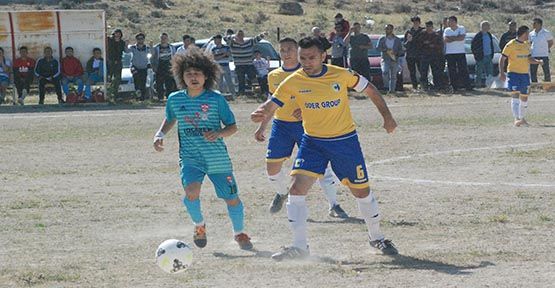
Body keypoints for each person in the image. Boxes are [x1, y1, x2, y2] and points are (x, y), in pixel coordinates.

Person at [251, 37, 398, 260]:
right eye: (303, 58)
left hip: (344, 142)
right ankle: (299, 247)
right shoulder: (293, 80)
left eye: (311, 57)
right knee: (296, 190)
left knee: (361, 192)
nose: (307, 62)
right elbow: (273, 103)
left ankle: (376, 237)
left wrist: (387, 117)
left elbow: (370, 90)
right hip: (312, 142)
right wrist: (261, 111)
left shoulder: (341, 74)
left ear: (323, 56)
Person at [152, 47, 254, 251]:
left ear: (206, 75)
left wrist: (219, 133)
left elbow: (232, 127)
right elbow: (171, 118)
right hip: (191, 158)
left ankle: (239, 232)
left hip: (217, 159)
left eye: (197, 73)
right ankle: (199, 225)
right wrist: (160, 134)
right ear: (181, 76)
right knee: (191, 192)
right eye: (188, 73)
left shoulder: (216, 99)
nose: (193, 77)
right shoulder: (175, 99)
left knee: (231, 198)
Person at [254, 38, 349, 218]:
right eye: (282, 50)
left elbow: (322, 98)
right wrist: (262, 127)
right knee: (271, 168)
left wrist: (306, 110)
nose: (286, 53)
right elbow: (271, 103)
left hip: (307, 126)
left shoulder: (308, 72)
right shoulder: (273, 76)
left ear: (298, 51)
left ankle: (334, 205)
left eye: (290, 49)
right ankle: (282, 193)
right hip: (281, 125)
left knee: (322, 168)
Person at [499, 25, 544, 127]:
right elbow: (502, 59)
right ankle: (517, 118)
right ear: (523, 34)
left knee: (524, 97)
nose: (529, 35)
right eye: (528, 33)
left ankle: (522, 118)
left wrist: (537, 62)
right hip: (513, 73)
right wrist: (502, 73)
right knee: (515, 94)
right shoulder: (511, 44)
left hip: (524, 74)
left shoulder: (527, 45)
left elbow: (528, 59)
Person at [224, 30, 267, 96]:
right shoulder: (232, 44)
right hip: (239, 65)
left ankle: (258, 93)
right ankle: (241, 94)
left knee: (253, 79)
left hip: (249, 64)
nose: (240, 37)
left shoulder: (249, 42)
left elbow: (257, 38)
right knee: (241, 80)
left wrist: (263, 34)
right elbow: (225, 38)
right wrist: (232, 36)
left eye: (241, 35)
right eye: (238, 35)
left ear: (243, 36)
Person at [443, 16, 472, 91]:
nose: (449, 23)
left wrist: (451, 38)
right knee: (452, 70)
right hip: (450, 53)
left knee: (463, 69)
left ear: (455, 21)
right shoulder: (447, 30)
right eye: (448, 21)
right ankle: (454, 87)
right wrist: (456, 37)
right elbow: (446, 40)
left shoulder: (461, 28)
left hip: (460, 52)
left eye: (450, 21)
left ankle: (467, 86)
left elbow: (462, 38)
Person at [416, 21, 446, 91]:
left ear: (432, 27)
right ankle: (424, 86)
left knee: (435, 72)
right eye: (427, 26)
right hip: (424, 55)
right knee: (423, 72)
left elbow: (440, 46)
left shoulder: (437, 35)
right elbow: (418, 44)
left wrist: (433, 45)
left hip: (434, 56)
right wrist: (425, 44)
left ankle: (437, 86)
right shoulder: (422, 34)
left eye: (430, 26)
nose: (428, 28)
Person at [378, 24, 404, 93]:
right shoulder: (382, 39)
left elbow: (401, 50)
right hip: (385, 59)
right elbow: (378, 48)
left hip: (394, 59)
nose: (388, 30)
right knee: (385, 72)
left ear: (392, 30)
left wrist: (396, 53)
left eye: (389, 29)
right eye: (386, 29)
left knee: (393, 76)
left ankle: (392, 90)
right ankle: (386, 87)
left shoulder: (397, 40)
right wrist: (385, 50)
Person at [151, 32, 177, 100]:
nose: (163, 39)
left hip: (169, 66)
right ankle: (160, 97)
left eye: (165, 38)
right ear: (160, 39)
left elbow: (174, 57)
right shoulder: (157, 47)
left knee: (169, 83)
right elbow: (152, 57)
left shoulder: (172, 47)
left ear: (167, 39)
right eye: (162, 38)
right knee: (159, 83)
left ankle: (169, 97)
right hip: (160, 66)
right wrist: (153, 67)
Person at [211, 34, 236, 99]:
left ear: (219, 39)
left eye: (216, 39)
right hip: (218, 66)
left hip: (226, 66)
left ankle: (233, 94)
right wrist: (223, 55)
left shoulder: (226, 47)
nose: (215, 41)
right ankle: (220, 95)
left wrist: (222, 55)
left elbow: (229, 54)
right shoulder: (214, 49)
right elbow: (215, 58)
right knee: (219, 82)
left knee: (229, 80)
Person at [471, 21, 495, 88]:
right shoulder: (478, 36)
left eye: (488, 26)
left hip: (489, 56)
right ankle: (478, 86)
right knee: (479, 73)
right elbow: (473, 46)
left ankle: (490, 86)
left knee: (490, 73)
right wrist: (476, 55)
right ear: (482, 27)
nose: (487, 27)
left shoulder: (489, 35)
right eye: (486, 26)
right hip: (481, 57)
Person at [404, 16, 425, 90]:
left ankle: (423, 85)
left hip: (420, 55)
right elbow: (405, 45)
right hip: (410, 55)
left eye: (417, 22)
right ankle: (414, 86)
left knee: (422, 71)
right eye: (414, 22)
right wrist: (409, 40)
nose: (415, 23)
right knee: (412, 72)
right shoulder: (408, 32)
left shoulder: (423, 31)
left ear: (419, 22)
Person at [529, 18, 553, 83]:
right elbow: (530, 43)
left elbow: (551, 42)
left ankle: (548, 85)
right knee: (533, 72)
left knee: (546, 72)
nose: (533, 25)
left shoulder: (546, 33)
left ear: (539, 24)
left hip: (544, 55)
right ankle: (534, 86)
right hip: (534, 55)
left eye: (534, 23)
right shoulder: (531, 33)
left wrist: (546, 48)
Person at [129, 32, 151, 101]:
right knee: (136, 81)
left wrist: (152, 46)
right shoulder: (133, 48)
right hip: (135, 67)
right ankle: (137, 96)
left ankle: (142, 98)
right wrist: (126, 44)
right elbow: (126, 51)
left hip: (144, 68)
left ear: (144, 39)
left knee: (143, 83)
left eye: (141, 39)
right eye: (138, 39)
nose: (140, 40)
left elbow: (152, 54)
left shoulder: (147, 48)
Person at [107, 28, 128, 93]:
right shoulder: (109, 40)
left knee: (118, 77)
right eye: (116, 33)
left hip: (118, 61)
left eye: (119, 33)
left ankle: (115, 92)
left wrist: (126, 45)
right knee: (109, 77)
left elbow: (125, 51)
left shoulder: (122, 42)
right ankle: (108, 92)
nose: (118, 35)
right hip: (110, 61)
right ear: (114, 33)